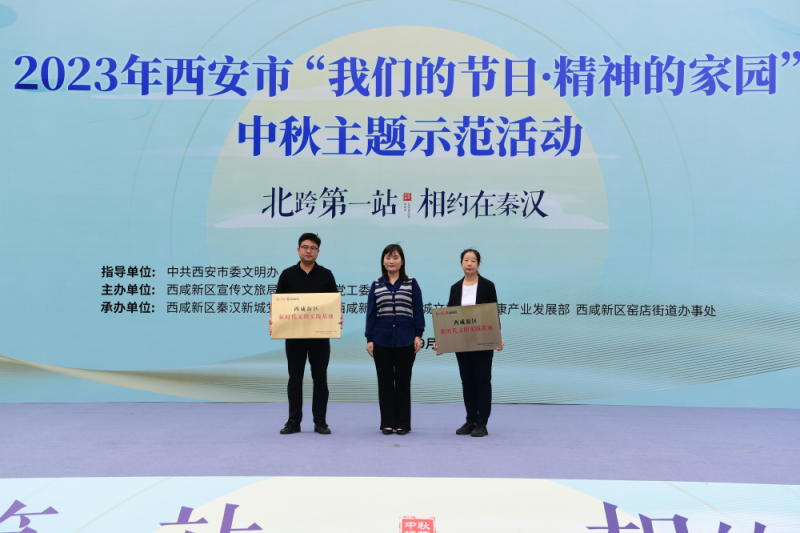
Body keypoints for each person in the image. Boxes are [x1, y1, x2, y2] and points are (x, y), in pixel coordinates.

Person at [270, 233, 342, 435]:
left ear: (318, 251)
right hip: (294, 336)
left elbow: (334, 302)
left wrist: (338, 316)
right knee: (295, 378)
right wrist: (273, 318)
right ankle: (294, 421)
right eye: (305, 247)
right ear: (298, 250)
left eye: (313, 248)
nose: (309, 251)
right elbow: (278, 303)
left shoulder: (326, 275)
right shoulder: (287, 275)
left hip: (320, 336)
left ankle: (320, 421)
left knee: (320, 379)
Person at [434, 249, 504, 437]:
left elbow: (493, 313)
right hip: (461, 341)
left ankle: (482, 423)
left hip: (483, 341)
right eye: (466, 260)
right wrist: (442, 342)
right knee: (467, 381)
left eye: (473, 260)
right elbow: (449, 317)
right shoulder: (455, 288)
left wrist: (497, 337)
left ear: (478, 264)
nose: (469, 263)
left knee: (482, 381)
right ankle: (471, 420)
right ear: (461, 264)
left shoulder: (487, 286)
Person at [365, 244, 425, 435]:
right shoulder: (376, 285)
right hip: (381, 340)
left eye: (395, 257)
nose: (391, 261)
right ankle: (387, 422)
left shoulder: (411, 283)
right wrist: (370, 338)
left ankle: (403, 423)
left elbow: (418, 310)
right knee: (385, 382)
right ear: (383, 261)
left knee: (403, 382)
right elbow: (371, 314)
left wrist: (418, 335)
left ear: (402, 261)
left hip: (406, 339)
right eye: (388, 257)